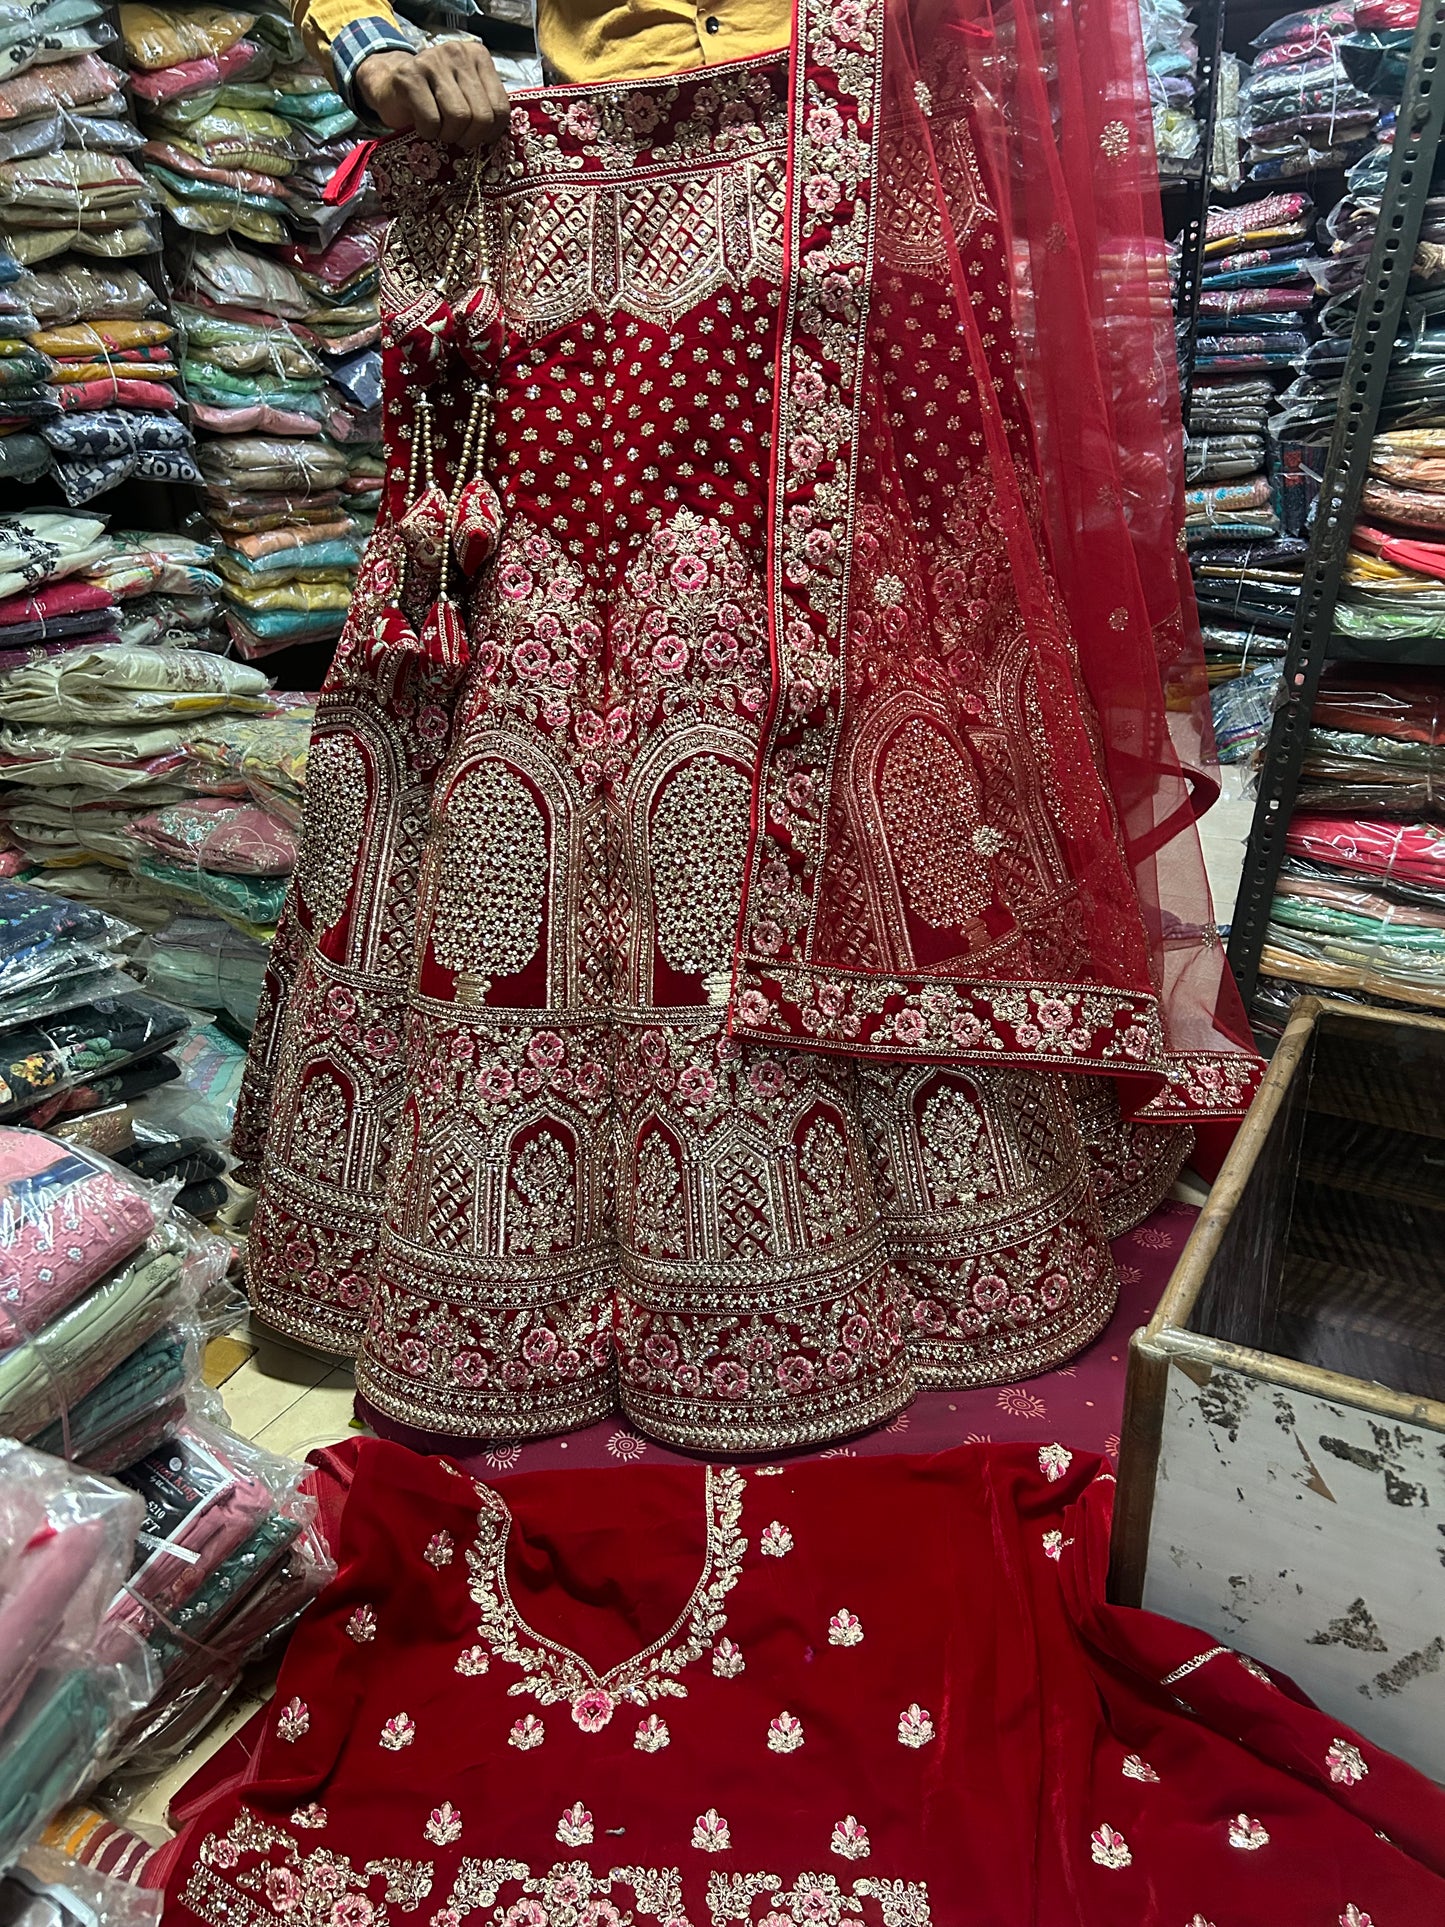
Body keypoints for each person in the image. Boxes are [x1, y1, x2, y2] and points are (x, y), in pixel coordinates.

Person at [235, 0, 1262, 1452]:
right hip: (573, 189)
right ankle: (514, 1246)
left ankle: (917, 1222)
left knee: (865, 658)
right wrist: (367, 34)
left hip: (854, 172)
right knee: (558, 658)